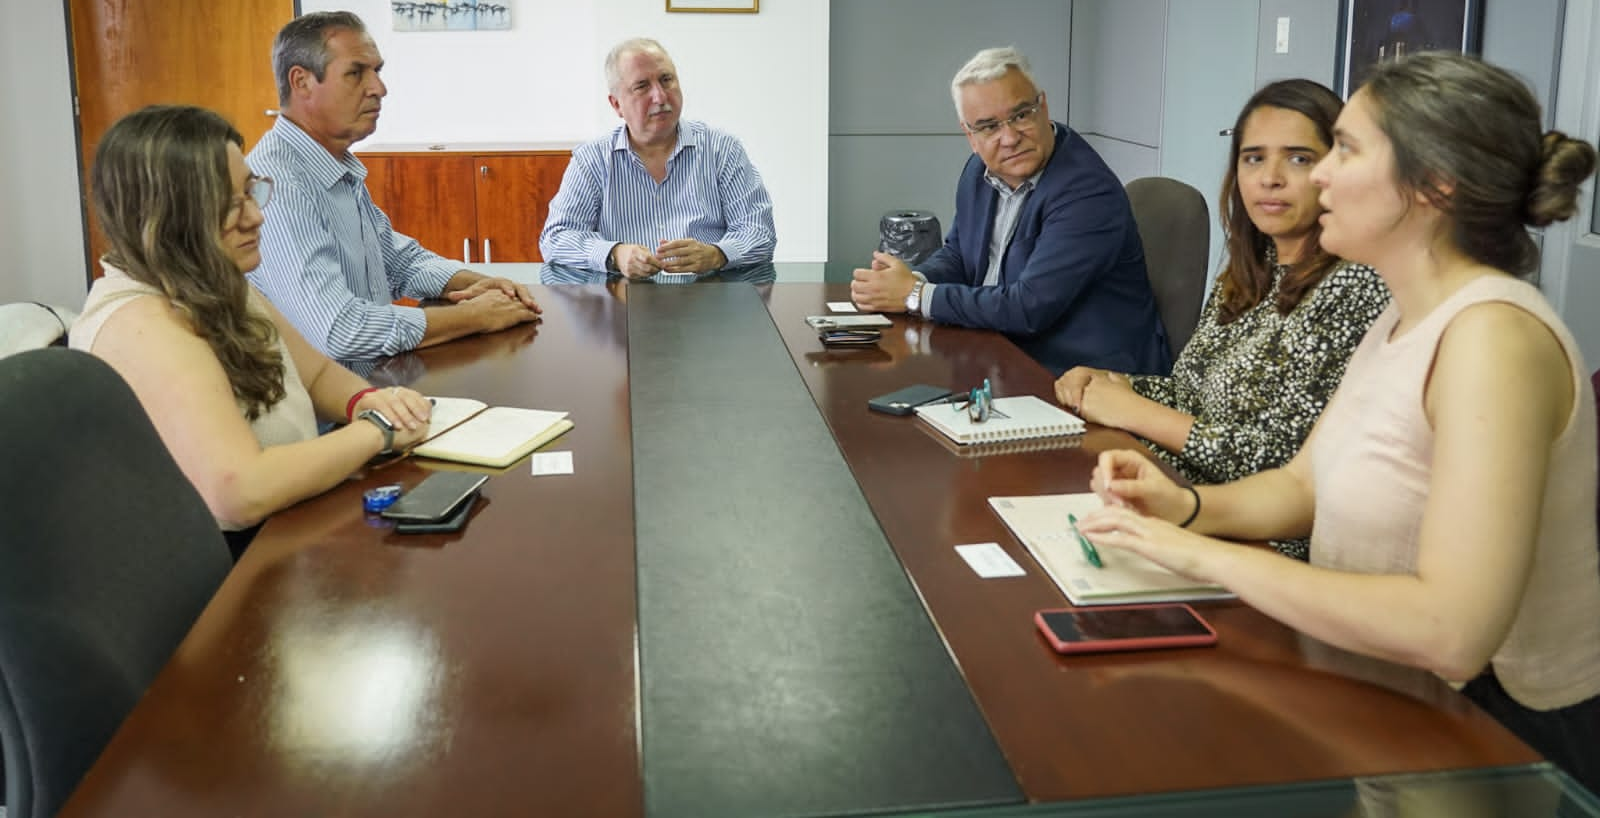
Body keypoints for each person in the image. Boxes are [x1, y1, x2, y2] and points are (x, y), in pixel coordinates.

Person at [1076, 52, 1600, 791]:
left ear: (1434, 183)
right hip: (1388, 691)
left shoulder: (1494, 340)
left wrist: (1194, 553)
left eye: (1344, 150)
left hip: (1497, 737)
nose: (1317, 176)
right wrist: (1186, 506)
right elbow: (1301, 483)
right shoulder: (1401, 311)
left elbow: (1451, 632)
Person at [69, 106, 435, 551]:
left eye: (251, 192)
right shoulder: (143, 323)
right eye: (228, 205)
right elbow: (238, 492)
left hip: (286, 524)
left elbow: (314, 374)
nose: (256, 217)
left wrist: (365, 400)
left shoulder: (213, 277)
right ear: (165, 216)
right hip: (228, 567)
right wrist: (377, 428)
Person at [1054, 81, 1390, 528]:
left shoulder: (1355, 287)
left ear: (1336, 169)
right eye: (1253, 158)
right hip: (1171, 491)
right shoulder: (1253, 267)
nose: (1270, 177)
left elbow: (1285, 473)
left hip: (1248, 531)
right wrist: (1116, 385)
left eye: (1298, 158)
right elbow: (1190, 393)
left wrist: (1138, 412)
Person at [850, 46, 1169, 375]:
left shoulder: (1087, 191)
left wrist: (915, 296)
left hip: (1083, 377)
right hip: (1000, 357)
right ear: (970, 135)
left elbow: (1029, 307)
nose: (1009, 138)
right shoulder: (978, 171)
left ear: (1043, 107)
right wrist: (907, 282)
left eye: (1020, 116)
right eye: (988, 127)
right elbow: (960, 255)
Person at [247, 11, 541, 363]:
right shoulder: (278, 183)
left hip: (378, 388)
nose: (379, 89)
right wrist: (476, 316)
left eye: (377, 71)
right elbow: (341, 330)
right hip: (331, 414)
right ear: (302, 82)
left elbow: (395, 261)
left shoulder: (333, 164)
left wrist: (475, 282)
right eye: (356, 73)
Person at [539, 37, 776, 278]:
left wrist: (717, 254)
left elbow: (759, 231)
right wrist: (614, 254)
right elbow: (557, 237)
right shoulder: (592, 159)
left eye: (666, 80)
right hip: (622, 305)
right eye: (642, 86)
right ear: (617, 104)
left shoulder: (722, 150)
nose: (660, 97)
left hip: (709, 301)